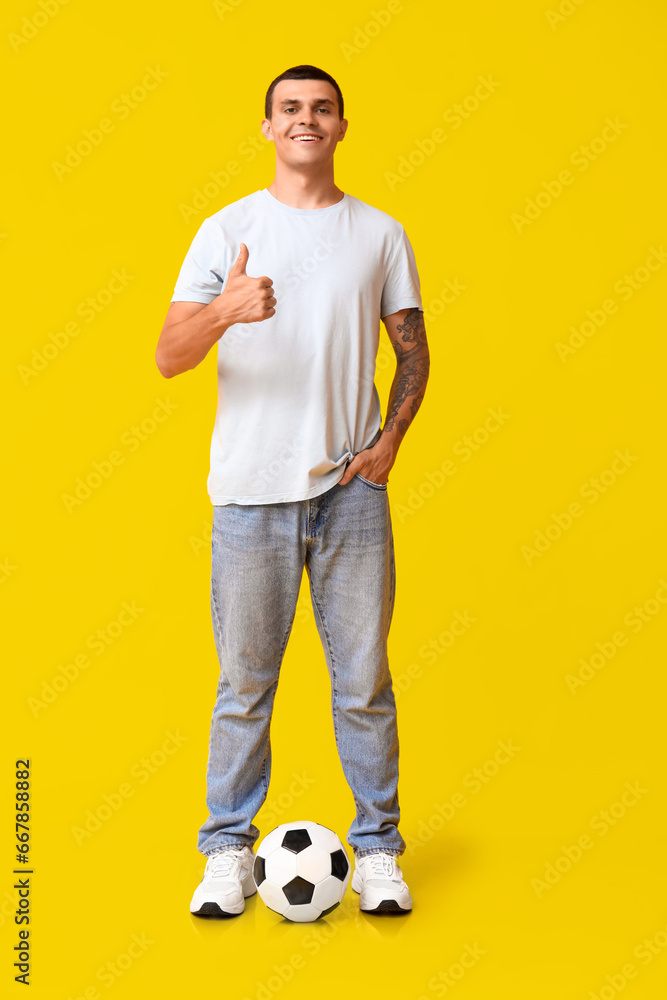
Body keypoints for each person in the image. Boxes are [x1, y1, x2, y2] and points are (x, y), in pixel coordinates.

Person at [155, 64, 430, 917]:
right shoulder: (225, 229)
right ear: (267, 128)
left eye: (321, 108)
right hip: (247, 495)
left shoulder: (379, 233)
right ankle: (227, 851)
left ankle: (378, 849)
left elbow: (413, 351)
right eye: (289, 109)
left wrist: (389, 444)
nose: (305, 119)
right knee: (243, 685)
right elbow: (169, 354)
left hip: (350, 494)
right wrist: (225, 310)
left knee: (364, 684)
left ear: (342, 125)